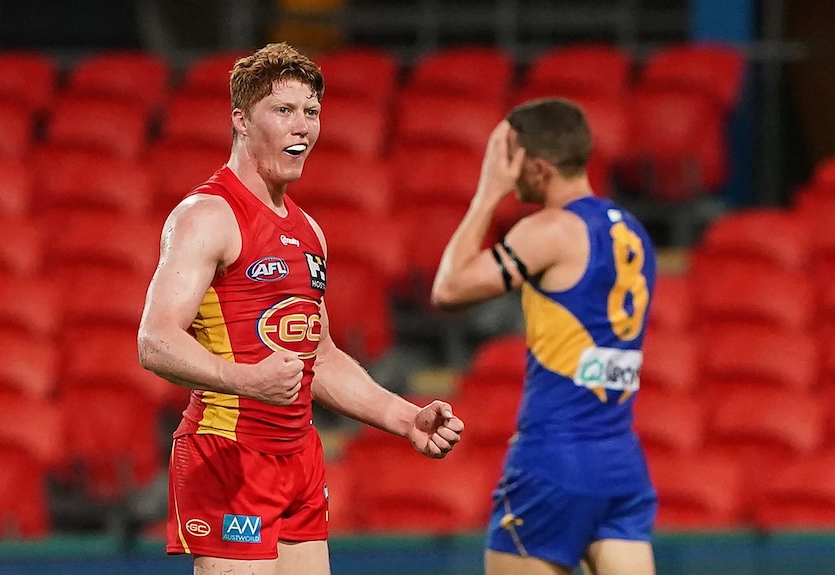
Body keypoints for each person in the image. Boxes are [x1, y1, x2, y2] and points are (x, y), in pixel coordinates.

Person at [137, 42, 464, 575]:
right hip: (229, 452)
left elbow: (323, 358)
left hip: (298, 457)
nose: (302, 126)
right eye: (283, 110)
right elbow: (154, 339)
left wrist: (406, 419)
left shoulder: (308, 230)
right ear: (240, 120)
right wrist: (245, 380)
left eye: (310, 112)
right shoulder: (207, 214)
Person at [431, 98, 658, 575]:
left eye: (513, 166)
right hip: (621, 465)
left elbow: (448, 288)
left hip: (555, 460)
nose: (511, 177)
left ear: (537, 167)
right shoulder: (633, 232)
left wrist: (486, 195)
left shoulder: (551, 230)